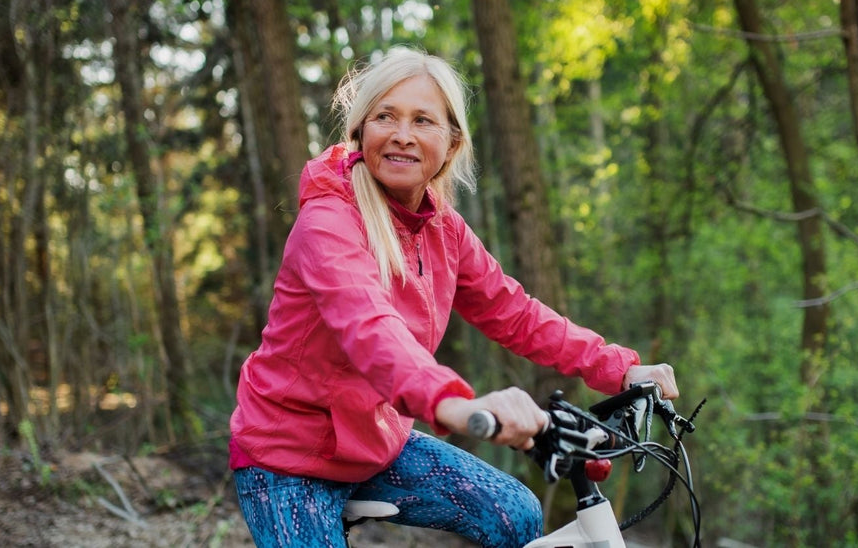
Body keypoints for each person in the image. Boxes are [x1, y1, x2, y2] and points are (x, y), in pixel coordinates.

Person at [229, 46, 678, 548]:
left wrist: (619, 367)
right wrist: (457, 405)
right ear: (360, 132)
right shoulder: (328, 222)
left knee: (514, 515)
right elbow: (371, 329)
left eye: (423, 120)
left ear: (451, 142)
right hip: (288, 457)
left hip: (376, 442)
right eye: (385, 117)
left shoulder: (444, 229)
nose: (402, 134)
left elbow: (516, 313)